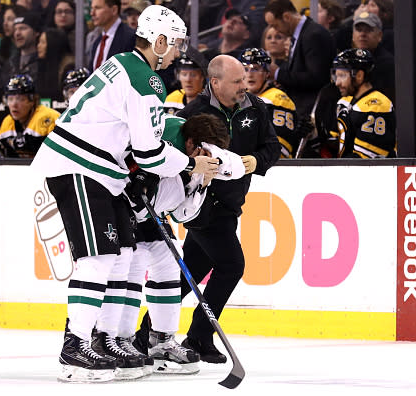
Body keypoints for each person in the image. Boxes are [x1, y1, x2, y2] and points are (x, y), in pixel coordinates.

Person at [30, 5, 219, 382]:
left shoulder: (121, 62)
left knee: (122, 256)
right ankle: (76, 347)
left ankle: (105, 339)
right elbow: (149, 154)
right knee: (98, 258)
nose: (180, 52)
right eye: (177, 43)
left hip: (100, 172)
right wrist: (190, 165)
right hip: (79, 168)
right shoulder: (146, 79)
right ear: (160, 41)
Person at [175, 54, 279, 363]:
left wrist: (255, 162)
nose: (244, 85)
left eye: (245, 78)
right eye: (236, 81)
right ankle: (198, 337)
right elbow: (178, 159)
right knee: (232, 265)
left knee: (190, 272)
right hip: (202, 207)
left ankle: (149, 332)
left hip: (231, 204)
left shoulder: (256, 108)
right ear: (215, 82)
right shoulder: (193, 114)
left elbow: (272, 148)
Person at [128, 113, 245, 374]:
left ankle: (160, 340)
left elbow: (183, 213)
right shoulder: (165, 134)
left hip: (150, 209)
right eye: (202, 152)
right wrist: (135, 175)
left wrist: (201, 179)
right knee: (128, 270)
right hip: (120, 202)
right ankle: (117, 341)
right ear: (191, 143)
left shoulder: (199, 152)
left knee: (170, 268)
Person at [264, 0, 336, 120]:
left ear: (286, 17)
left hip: (312, 112)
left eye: (275, 25)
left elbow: (316, 78)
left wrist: (278, 73)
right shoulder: (302, 34)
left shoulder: (313, 35)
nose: (275, 30)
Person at [333, 48, 396, 158]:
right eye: (336, 76)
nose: (337, 83)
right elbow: (336, 143)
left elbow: (365, 161)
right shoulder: (345, 101)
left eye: (342, 75)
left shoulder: (378, 106)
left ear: (359, 76)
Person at [240, 47, 299, 158]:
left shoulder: (277, 99)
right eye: (245, 69)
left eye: (256, 69)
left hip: (273, 169)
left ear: (267, 73)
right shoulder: (235, 99)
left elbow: (281, 149)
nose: (249, 75)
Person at [0, 74, 60, 158]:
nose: (14, 105)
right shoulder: (7, 122)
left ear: (32, 101)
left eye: (20, 99)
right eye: (10, 99)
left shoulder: (50, 117)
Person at [351, 11, 395, 102]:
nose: (362, 34)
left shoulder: (388, 63)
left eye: (368, 30)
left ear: (379, 36)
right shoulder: (348, 60)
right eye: (359, 30)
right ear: (353, 36)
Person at [89, 0, 136, 71]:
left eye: (97, 8)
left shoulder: (131, 37)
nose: (92, 13)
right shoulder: (97, 42)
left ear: (114, 10)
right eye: (92, 8)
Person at [0, 12, 41, 93]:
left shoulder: (42, 63)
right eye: (15, 29)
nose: (17, 33)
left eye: (23, 28)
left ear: (36, 33)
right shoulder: (9, 64)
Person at [36, 27, 75, 101]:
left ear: (53, 44)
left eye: (43, 42)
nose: (38, 46)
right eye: (39, 42)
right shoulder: (42, 64)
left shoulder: (68, 66)